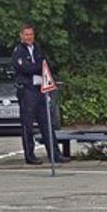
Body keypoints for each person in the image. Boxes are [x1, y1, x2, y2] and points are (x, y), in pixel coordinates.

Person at [11, 23, 68, 164]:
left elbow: (46, 64)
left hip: (40, 89)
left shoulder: (37, 48)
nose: (29, 37)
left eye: (31, 34)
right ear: (21, 36)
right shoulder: (18, 51)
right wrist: (38, 66)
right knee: (28, 125)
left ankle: (54, 154)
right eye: (26, 35)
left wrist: (38, 66)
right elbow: (25, 68)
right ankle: (30, 155)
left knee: (47, 122)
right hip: (27, 90)